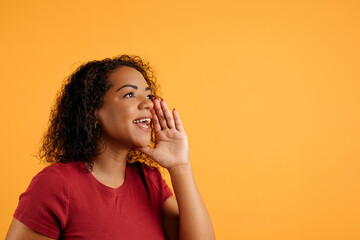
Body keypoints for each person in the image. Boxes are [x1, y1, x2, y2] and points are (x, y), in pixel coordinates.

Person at [5, 55, 215, 240]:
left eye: (149, 95)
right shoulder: (57, 185)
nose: (149, 104)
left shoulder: (150, 181)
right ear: (93, 112)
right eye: (130, 95)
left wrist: (180, 166)